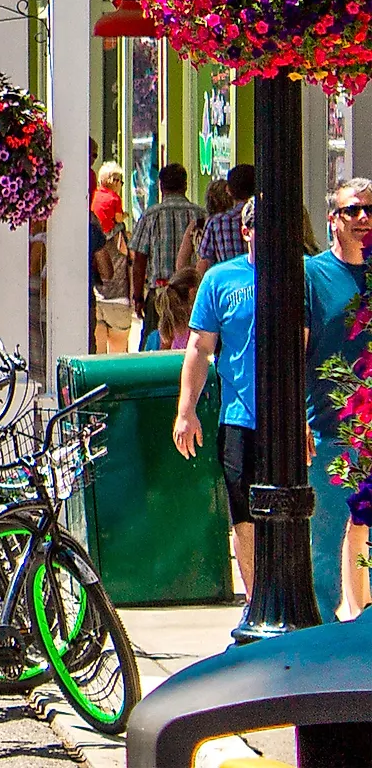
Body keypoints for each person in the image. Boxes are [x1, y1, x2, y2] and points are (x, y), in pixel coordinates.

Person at [175, 237, 261, 602]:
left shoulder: (302, 273)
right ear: (245, 231)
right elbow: (199, 347)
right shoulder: (220, 279)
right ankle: (255, 603)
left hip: (294, 420)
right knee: (245, 518)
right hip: (240, 417)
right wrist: (186, 410)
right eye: (256, 224)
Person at [306, 177, 372, 620]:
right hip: (330, 431)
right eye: (352, 210)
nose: (363, 218)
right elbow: (295, 350)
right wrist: (296, 418)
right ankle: (325, 634)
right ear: (333, 219)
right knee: (325, 541)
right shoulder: (313, 275)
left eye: (370, 210)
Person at [132, 164, 206, 351]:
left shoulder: (150, 215)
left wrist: (138, 297)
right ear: (185, 185)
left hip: (160, 294)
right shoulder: (200, 215)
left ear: (161, 186)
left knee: (154, 349)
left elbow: (139, 260)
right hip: (192, 296)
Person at [91, 162, 136, 351]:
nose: (119, 184)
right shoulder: (120, 235)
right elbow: (131, 262)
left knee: (97, 356)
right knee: (118, 357)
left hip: (96, 298)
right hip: (118, 299)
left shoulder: (94, 201)